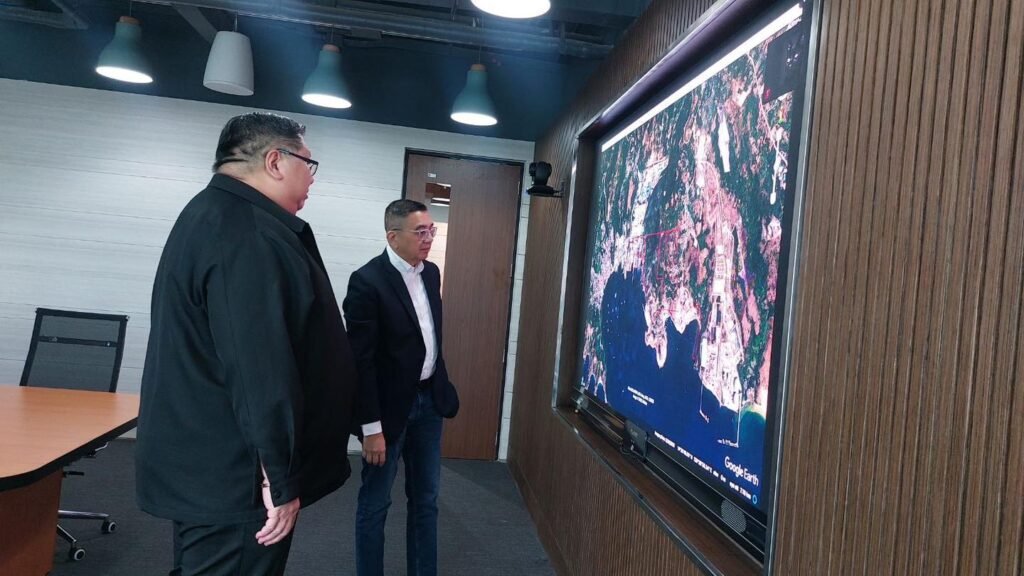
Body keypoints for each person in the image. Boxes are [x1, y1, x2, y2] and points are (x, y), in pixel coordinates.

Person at [136, 112, 357, 576]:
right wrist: (280, 477)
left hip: (215, 463)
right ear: (275, 161)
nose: (312, 177)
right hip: (238, 474)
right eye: (308, 163)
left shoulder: (214, 213)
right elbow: (259, 368)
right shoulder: (246, 234)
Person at [343, 199, 460, 576]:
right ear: (393, 237)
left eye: (431, 230)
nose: (428, 238)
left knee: (426, 501)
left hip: (429, 404)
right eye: (420, 232)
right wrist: (371, 428)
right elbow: (360, 363)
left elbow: (429, 336)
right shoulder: (367, 282)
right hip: (387, 412)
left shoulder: (431, 274)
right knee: (375, 503)